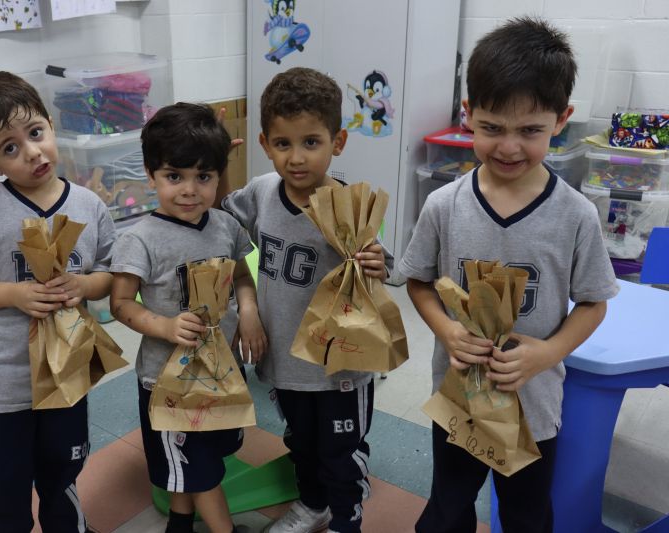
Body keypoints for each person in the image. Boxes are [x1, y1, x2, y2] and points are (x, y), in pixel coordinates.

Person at [399, 17, 619, 533]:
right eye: (493, 128)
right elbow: (418, 280)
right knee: (448, 507)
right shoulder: (444, 205)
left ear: (561, 120)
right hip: (459, 397)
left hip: (533, 404)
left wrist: (547, 353)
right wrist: (447, 330)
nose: (509, 147)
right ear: (468, 115)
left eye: (530, 130)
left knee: (526, 515)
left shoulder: (575, 216)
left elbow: (594, 303)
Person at [0, 69, 116, 532]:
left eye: (35, 133)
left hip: (65, 375)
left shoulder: (89, 205)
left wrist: (85, 286)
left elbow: (111, 274)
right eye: (10, 148)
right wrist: (13, 293)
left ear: (51, 125)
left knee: (63, 475)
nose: (32, 152)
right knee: (4, 492)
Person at [218, 67, 392, 533]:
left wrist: (377, 263)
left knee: (340, 452)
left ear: (338, 142)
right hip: (283, 356)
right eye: (283, 143)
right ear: (264, 143)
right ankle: (313, 503)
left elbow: (384, 267)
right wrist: (219, 163)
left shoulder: (350, 204)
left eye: (311, 142)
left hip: (340, 367)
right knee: (301, 441)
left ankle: (346, 518)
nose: (296, 158)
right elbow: (223, 223)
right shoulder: (260, 192)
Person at [109, 102, 263, 533]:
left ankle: (179, 522)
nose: (190, 190)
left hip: (221, 368)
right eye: (174, 176)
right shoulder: (139, 239)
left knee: (198, 460)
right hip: (168, 381)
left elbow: (241, 275)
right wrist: (164, 326)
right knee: (199, 470)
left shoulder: (226, 225)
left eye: (204, 177)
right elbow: (120, 303)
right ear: (151, 174)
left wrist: (249, 311)